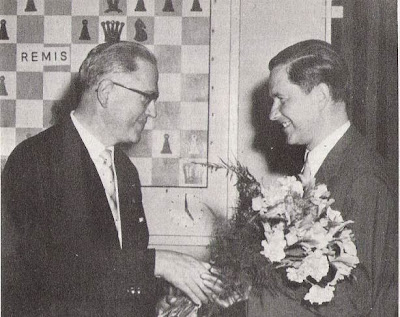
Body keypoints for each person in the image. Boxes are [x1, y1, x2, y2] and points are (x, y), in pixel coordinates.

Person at [1, 41, 226, 316]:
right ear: (106, 92)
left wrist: (153, 299)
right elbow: (48, 269)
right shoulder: (36, 159)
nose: (153, 111)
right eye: (146, 98)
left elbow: (115, 269)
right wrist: (156, 263)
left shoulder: (125, 169)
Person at [248, 40, 397, 316]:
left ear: (321, 96)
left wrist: (248, 301)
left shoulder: (364, 178)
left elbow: (351, 303)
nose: (272, 113)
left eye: (282, 98)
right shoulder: (325, 166)